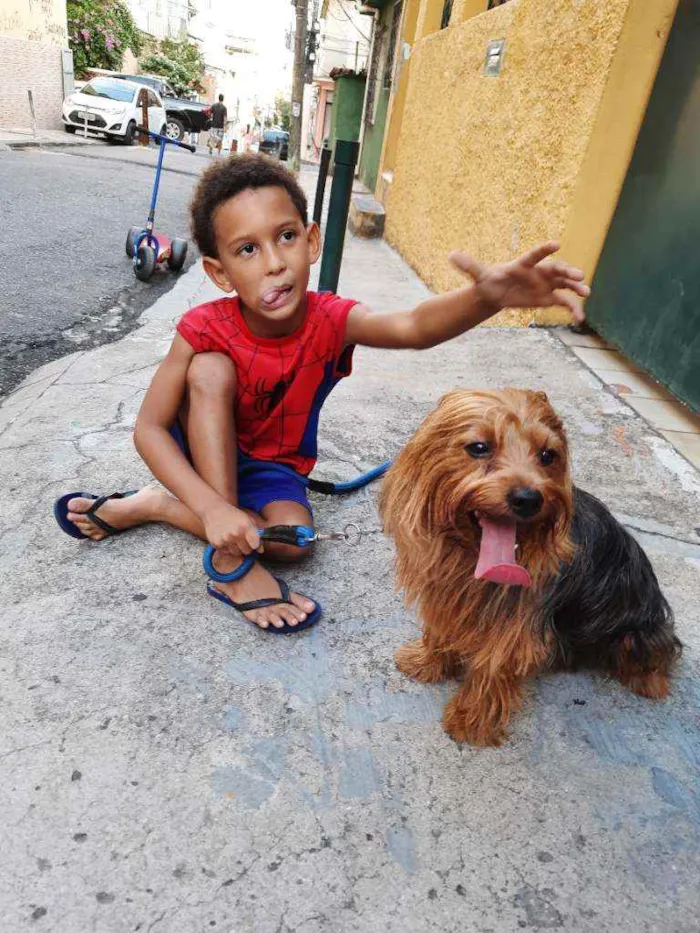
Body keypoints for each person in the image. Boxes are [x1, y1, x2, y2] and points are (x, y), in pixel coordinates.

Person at [57, 156, 589, 634]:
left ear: (311, 241)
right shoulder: (203, 327)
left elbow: (412, 325)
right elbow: (149, 428)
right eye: (247, 249)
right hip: (200, 455)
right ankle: (230, 566)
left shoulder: (332, 320)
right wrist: (212, 508)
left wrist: (484, 298)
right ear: (219, 272)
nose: (273, 262)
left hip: (273, 467)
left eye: (285, 237)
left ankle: (158, 507)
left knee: (292, 545)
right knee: (212, 371)